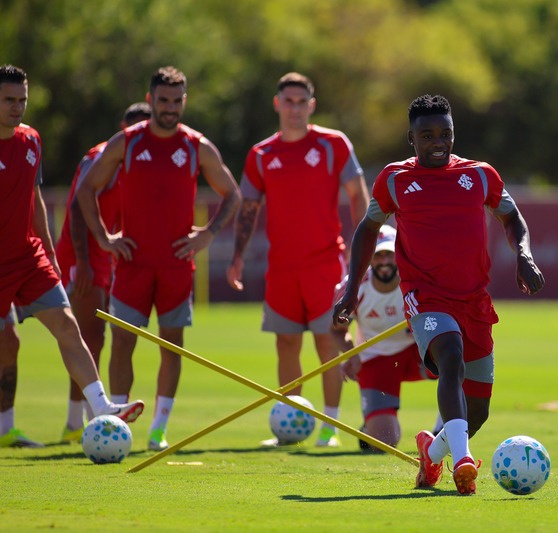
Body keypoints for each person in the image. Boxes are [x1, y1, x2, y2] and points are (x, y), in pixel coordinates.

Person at [333, 94, 545, 495]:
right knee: (450, 358)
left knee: (477, 409)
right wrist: (350, 292)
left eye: (444, 133)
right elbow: (367, 229)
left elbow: (512, 217)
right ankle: (463, 462)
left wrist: (523, 253)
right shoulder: (395, 178)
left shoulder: (480, 175)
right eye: (426, 135)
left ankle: (432, 455)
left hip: (474, 301)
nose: (437, 142)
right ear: (410, 138)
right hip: (424, 294)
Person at [76, 66, 241, 452]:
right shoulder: (128, 142)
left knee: (173, 346)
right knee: (122, 344)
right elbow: (87, 189)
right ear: (150, 100)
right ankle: (117, 425)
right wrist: (104, 237)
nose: (170, 107)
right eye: (163, 100)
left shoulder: (196, 145)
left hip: (176, 266)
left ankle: (158, 430)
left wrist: (209, 234)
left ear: (185, 101)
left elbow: (232, 193)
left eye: (177, 100)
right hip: (132, 263)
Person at [0, 64, 145, 448]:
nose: (18, 108)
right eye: (9, 100)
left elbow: (34, 200)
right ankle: (5, 428)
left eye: (22, 100)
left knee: (67, 326)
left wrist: (47, 248)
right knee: (7, 344)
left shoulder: (31, 140)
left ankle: (102, 409)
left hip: (28, 258)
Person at [227, 72, 369, 448]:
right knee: (286, 345)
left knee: (328, 342)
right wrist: (237, 257)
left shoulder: (332, 144)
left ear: (312, 105)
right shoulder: (261, 154)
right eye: (287, 101)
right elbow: (249, 208)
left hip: (325, 263)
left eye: (301, 101)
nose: (294, 108)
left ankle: (330, 426)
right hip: (282, 268)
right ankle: (289, 424)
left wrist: (366, 245)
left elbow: (358, 194)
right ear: (277, 104)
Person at [56, 102, 152, 443]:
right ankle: (78, 422)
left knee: (92, 339)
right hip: (84, 253)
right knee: (89, 338)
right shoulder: (101, 157)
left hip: (109, 253)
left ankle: (76, 422)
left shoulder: (144, 160)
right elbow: (78, 211)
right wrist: (82, 262)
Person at [332, 224, 438, 451]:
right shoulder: (354, 286)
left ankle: (443, 431)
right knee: (385, 442)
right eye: (378, 255)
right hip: (374, 361)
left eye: (389, 254)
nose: (384, 261)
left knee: (456, 359)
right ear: (369, 258)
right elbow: (336, 329)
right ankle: (369, 428)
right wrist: (351, 354)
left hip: (415, 353)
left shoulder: (417, 281)